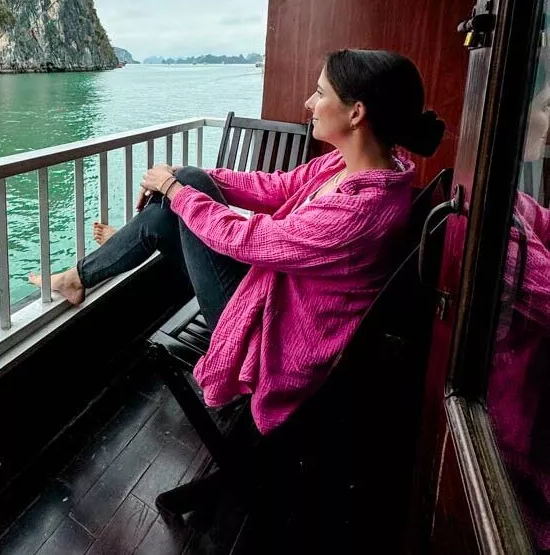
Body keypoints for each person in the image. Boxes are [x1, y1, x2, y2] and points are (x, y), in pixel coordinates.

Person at [30, 49, 444, 433]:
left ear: (356, 113)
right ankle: (79, 276)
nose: (308, 103)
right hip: (277, 297)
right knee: (175, 202)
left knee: (179, 200)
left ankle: (79, 276)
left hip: (275, 340)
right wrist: (190, 178)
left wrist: (177, 188)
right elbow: (276, 186)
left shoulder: (360, 208)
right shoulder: (350, 166)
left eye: (319, 93)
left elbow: (247, 238)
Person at [488, 67, 550, 550]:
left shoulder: (511, 202)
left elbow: (543, 220)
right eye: (546, 107)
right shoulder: (502, 235)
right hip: (516, 421)